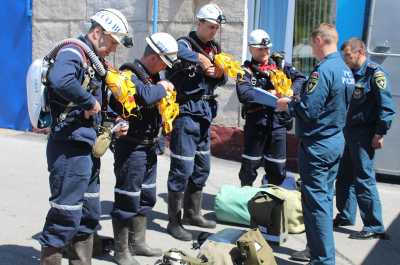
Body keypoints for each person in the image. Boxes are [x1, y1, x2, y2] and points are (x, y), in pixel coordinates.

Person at [38, 8, 131, 265]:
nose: (113, 49)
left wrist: (115, 123)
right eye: (112, 42)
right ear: (97, 32)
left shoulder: (94, 62)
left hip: (87, 147)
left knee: (89, 213)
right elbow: (61, 80)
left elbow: (99, 105)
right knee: (65, 214)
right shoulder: (73, 51)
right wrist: (88, 100)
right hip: (68, 147)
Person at [276, 23, 354, 265]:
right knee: (323, 199)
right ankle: (317, 251)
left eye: (312, 43)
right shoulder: (345, 69)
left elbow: (309, 110)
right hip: (334, 140)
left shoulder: (324, 70)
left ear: (320, 40)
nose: (311, 47)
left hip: (318, 144)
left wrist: (288, 104)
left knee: (316, 204)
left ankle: (322, 259)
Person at [110, 32, 178, 265]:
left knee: (147, 196)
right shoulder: (129, 75)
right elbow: (146, 96)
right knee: (127, 198)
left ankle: (137, 243)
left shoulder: (153, 77)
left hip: (149, 147)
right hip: (131, 148)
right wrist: (164, 87)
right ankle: (121, 251)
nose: (164, 68)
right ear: (154, 57)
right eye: (164, 62)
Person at [165, 3, 227, 241]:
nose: (213, 31)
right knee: (182, 169)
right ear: (199, 23)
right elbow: (175, 53)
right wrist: (200, 58)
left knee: (202, 167)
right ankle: (174, 222)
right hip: (186, 114)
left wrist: (220, 74)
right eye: (210, 27)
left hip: (205, 114)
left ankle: (192, 213)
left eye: (216, 28)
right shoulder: (184, 43)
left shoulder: (215, 48)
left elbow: (223, 77)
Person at [334, 38, 395, 239]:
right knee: (343, 177)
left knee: (363, 179)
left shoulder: (375, 74)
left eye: (349, 56)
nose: (346, 60)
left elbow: (387, 107)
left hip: (364, 134)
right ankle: (345, 215)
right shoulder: (348, 74)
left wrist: (380, 133)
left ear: (360, 52)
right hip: (347, 132)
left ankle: (374, 225)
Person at [236, 29, 306, 187]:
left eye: (267, 48)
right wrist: (272, 95)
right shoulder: (245, 71)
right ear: (250, 49)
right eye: (260, 49)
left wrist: (290, 92)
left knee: (277, 169)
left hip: (278, 124)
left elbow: (301, 78)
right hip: (257, 124)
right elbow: (245, 94)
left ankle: (269, 205)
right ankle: (245, 203)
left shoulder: (280, 65)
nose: (264, 52)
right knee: (249, 168)